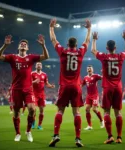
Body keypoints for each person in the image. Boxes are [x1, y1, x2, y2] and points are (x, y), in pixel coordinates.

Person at [0, 34, 49, 142]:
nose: (23, 45)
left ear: (27, 48)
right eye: (21, 44)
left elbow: (46, 56)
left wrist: (43, 45)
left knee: (32, 109)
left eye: (25, 44)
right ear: (18, 47)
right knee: (16, 112)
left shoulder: (31, 57)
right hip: (16, 89)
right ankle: (18, 133)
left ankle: (28, 131)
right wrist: (5, 46)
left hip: (28, 89)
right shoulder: (12, 57)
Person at [49, 18, 91, 147]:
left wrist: (51, 27)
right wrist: (89, 29)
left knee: (60, 110)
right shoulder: (80, 52)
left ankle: (56, 135)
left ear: (67, 44)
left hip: (64, 86)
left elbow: (53, 40)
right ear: (76, 44)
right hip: (76, 86)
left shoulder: (62, 51)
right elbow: (87, 41)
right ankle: (78, 138)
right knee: (76, 112)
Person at [91, 30, 125, 144]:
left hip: (107, 88)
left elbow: (93, 50)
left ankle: (110, 136)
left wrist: (94, 39)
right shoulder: (120, 56)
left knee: (107, 112)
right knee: (118, 113)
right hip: (118, 87)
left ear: (107, 48)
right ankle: (119, 137)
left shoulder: (104, 56)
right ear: (115, 47)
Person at [31, 62, 55, 130]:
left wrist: (51, 86)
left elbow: (46, 83)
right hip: (34, 94)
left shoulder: (44, 74)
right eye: (37, 65)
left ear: (41, 66)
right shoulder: (32, 73)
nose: (39, 66)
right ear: (35, 66)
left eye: (40, 65)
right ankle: (33, 123)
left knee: (41, 110)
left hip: (42, 94)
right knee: (33, 110)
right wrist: (34, 82)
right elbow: (28, 82)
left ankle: (39, 125)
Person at [82, 65, 104, 130]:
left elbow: (103, 77)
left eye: (90, 69)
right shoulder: (85, 78)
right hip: (88, 96)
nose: (89, 70)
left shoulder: (95, 76)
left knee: (94, 109)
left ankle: (102, 121)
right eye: (88, 69)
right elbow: (82, 85)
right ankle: (89, 126)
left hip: (95, 95)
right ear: (87, 70)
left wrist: (103, 72)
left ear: (92, 70)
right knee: (87, 109)